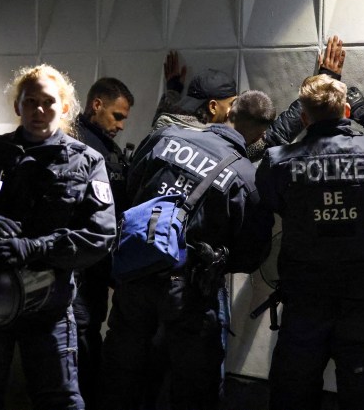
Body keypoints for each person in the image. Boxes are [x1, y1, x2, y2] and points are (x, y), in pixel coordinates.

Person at [0, 64, 117, 410]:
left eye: (48, 102)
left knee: (59, 400)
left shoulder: (86, 162)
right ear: (18, 106)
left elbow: (100, 235)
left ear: (65, 108)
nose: (39, 111)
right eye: (30, 102)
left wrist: (34, 247)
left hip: (49, 305)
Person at [255, 48, 364, 409]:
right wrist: (354, 98)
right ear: (345, 111)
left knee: (292, 395)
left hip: (304, 300)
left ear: (303, 116)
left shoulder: (278, 163)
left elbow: (271, 196)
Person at [100, 90, 276, 410]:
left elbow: (128, 190)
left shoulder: (164, 136)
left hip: (135, 274)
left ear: (227, 112)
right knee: (195, 384)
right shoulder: (247, 178)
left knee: (122, 370)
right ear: (261, 134)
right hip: (190, 292)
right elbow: (252, 255)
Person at [73, 77, 135, 410]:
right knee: (80, 339)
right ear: (97, 105)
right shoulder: (73, 142)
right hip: (77, 267)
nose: (121, 125)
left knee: (88, 334)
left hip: (96, 265)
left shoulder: (106, 149)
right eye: (117, 116)